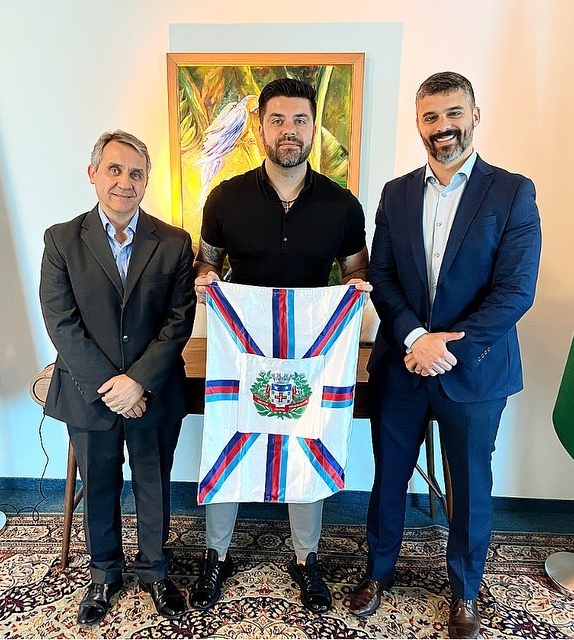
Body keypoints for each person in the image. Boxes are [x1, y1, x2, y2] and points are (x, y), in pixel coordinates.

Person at [346, 72, 541, 638]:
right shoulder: (396, 193)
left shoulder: (512, 192)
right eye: (430, 117)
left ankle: (465, 591)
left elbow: (515, 290)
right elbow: (382, 276)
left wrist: (447, 348)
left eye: (453, 113)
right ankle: (377, 573)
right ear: (418, 124)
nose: (442, 127)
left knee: (471, 485)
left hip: (475, 369)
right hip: (403, 366)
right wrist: (414, 339)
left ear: (474, 116)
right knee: (389, 477)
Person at [190, 77, 371, 614]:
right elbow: (206, 262)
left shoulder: (343, 205)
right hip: (241, 353)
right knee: (227, 436)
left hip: (312, 357)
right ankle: (215, 555)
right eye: (277, 120)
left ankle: (306, 559)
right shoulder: (225, 198)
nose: (288, 131)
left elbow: (357, 270)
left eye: (299, 120)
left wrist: (357, 290)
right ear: (260, 127)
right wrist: (204, 280)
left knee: (306, 442)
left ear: (314, 127)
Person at [39, 130, 196, 625]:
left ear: (146, 181)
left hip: (154, 392)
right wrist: (113, 388)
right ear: (93, 174)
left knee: (153, 484)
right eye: (114, 169)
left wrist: (139, 383)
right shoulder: (61, 240)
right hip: (89, 396)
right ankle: (104, 573)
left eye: (135, 173)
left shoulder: (174, 242)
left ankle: (155, 572)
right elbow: (61, 323)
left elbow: (179, 321)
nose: (124, 182)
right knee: (100, 486)